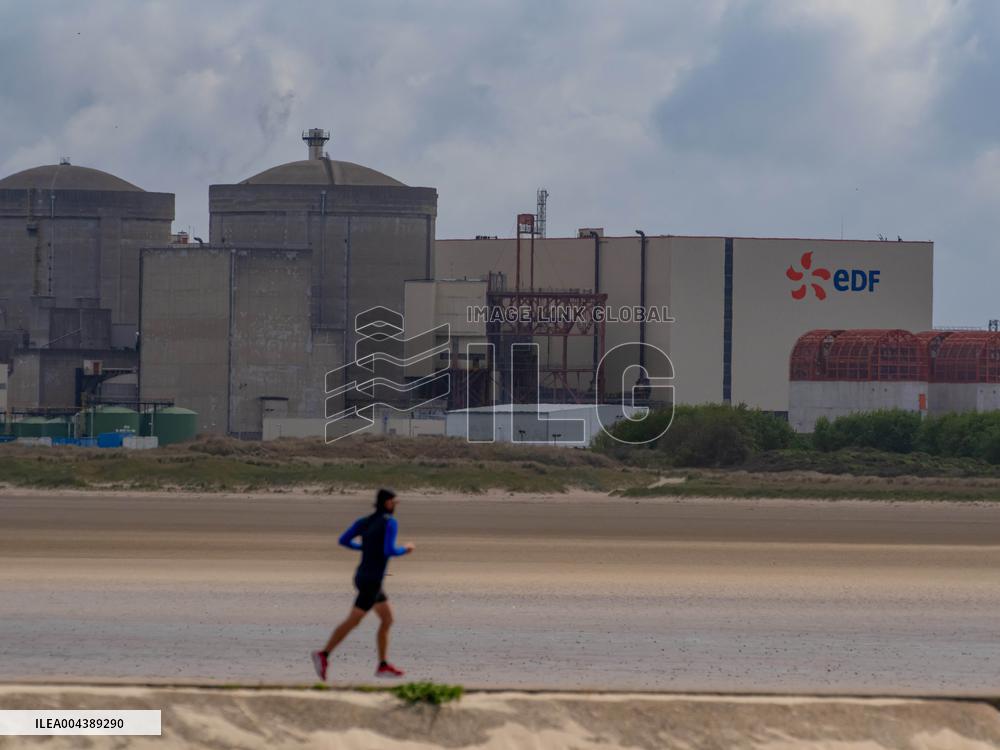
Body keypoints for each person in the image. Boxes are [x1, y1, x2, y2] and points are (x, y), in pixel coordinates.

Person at [311, 488, 414, 681]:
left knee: (387, 619)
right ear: (386, 503)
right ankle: (323, 654)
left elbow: (343, 540)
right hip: (372, 581)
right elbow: (389, 550)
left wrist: (363, 547)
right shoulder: (390, 522)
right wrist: (406, 549)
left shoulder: (364, 521)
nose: (395, 506)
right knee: (354, 621)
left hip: (363, 577)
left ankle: (383, 665)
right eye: (393, 502)